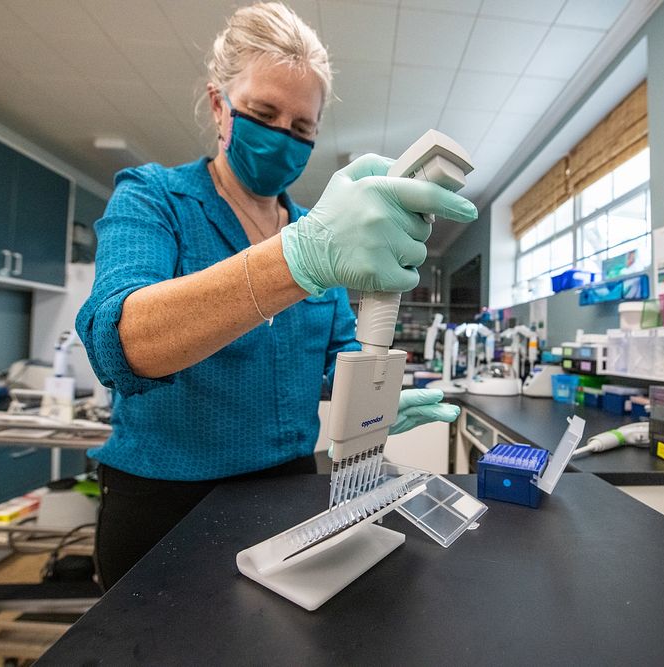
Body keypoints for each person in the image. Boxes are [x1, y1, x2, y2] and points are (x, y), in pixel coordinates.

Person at [76, 2, 477, 590]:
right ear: (219, 105)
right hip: (164, 505)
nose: (281, 138)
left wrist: (372, 403)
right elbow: (120, 344)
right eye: (263, 113)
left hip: (287, 492)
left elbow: (339, 353)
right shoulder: (155, 199)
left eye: (302, 129)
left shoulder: (318, 228)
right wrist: (294, 259)